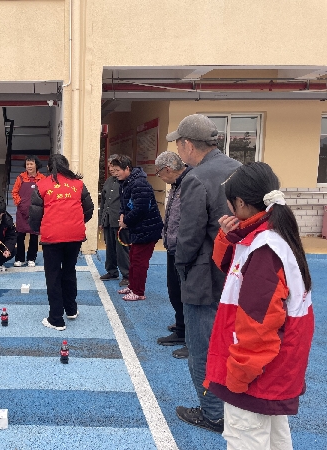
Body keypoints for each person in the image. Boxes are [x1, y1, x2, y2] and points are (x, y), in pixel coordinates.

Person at [205, 162, 314, 448]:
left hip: (258, 371)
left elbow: (259, 325)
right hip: (273, 367)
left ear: (240, 202)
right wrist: (228, 236)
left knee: (245, 438)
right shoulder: (271, 234)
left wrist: (239, 375)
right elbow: (231, 268)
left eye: (230, 202)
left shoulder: (264, 249)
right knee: (275, 439)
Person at [166, 113, 241, 433]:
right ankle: (234, 405)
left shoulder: (196, 178)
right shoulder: (239, 169)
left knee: (201, 348)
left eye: (178, 145)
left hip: (205, 275)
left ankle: (212, 413)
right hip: (237, 272)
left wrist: (180, 267)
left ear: (187, 145)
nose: (178, 151)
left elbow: (189, 234)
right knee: (232, 343)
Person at [29, 154, 94, 331]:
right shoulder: (78, 184)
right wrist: (75, 223)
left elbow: (35, 214)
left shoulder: (43, 184)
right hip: (75, 236)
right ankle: (71, 309)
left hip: (52, 237)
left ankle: (56, 318)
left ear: (49, 168)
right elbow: (88, 209)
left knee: (53, 275)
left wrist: (39, 229)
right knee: (69, 271)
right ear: (66, 166)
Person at [110, 154, 163, 301]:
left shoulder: (139, 183)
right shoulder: (126, 183)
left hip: (147, 229)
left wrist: (126, 221)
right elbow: (124, 204)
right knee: (133, 258)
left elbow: (141, 209)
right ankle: (132, 286)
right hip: (138, 228)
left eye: (117, 170)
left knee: (139, 261)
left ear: (127, 169)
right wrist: (122, 214)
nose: (115, 173)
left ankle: (138, 292)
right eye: (113, 170)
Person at [154, 151, 192, 358]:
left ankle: (189, 336)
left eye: (159, 173)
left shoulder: (190, 183)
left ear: (167, 169)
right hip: (173, 247)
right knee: (174, 290)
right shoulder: (177, 184)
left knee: (185, 294)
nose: (160, 177)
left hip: (184, 248)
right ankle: (181, 326)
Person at [99, 154, 130, 286]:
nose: (111, 169)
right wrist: (101, 220)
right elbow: (104, 202)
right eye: (109, 166)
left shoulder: (127, 181)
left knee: (122, 249)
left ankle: (127, 274)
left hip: (120, 222)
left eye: (113, 166)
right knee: (110, 248)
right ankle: (112, 271)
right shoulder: (108, 181)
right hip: (108, 219)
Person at [11, 155, 45, 267]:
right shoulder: (20, 178)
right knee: (20, 235)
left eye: (31, 164)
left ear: (36, 165)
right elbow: (14, 192)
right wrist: (19, 203)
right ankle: (19, 259)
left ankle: (31, 258)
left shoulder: (42, 178)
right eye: (27, 164)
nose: (29, 166)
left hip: (36, 212)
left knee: (34, 236)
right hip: (22, 212)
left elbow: (45, 193)